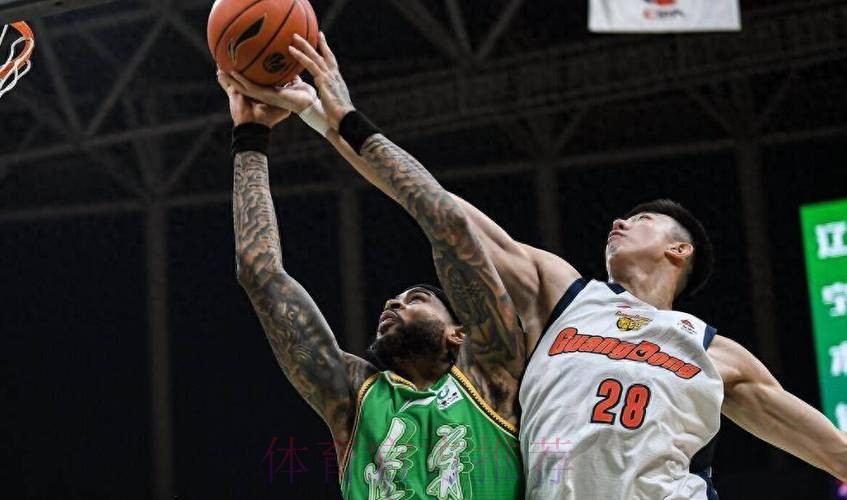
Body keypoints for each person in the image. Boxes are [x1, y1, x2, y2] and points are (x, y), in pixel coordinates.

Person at [222, 31, 847, 499]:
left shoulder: (716, 353)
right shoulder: (564, 295)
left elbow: (833, 451)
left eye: (641, 219)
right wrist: (329, 118)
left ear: (678, 249)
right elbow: (441, 211)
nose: (618, 222)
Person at [219, 67, 525, 498]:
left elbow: (447, 223)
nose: (393, 303)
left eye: (416, 299)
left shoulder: (491, 376)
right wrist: (250, 136)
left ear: (457, 333)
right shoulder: (354, 396)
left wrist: (347, 120)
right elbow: (259, 273)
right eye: (395, 299)